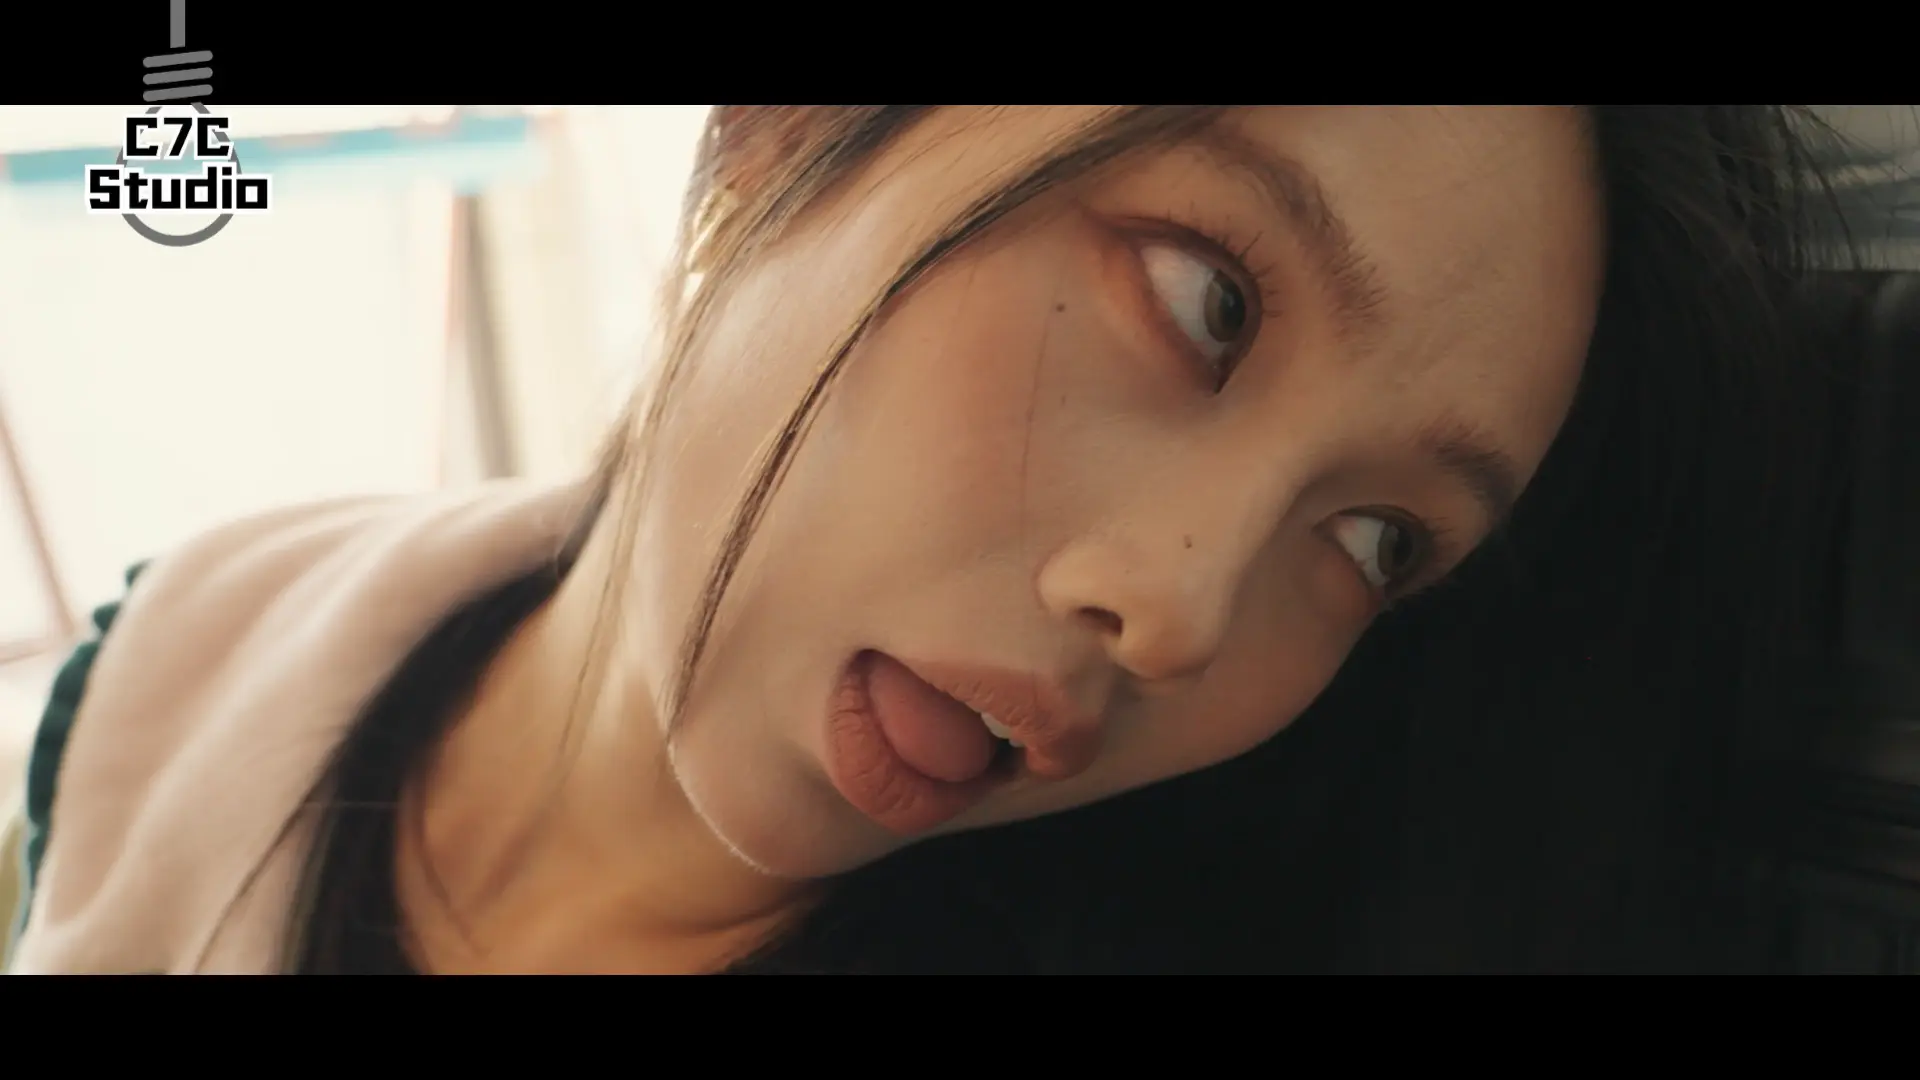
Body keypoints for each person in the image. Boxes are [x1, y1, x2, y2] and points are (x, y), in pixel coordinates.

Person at [8, 106, 1853, 974]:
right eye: (1205, 300)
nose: (1181, 611)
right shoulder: (178, 664)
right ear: (786, 128)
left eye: (1377, 543)